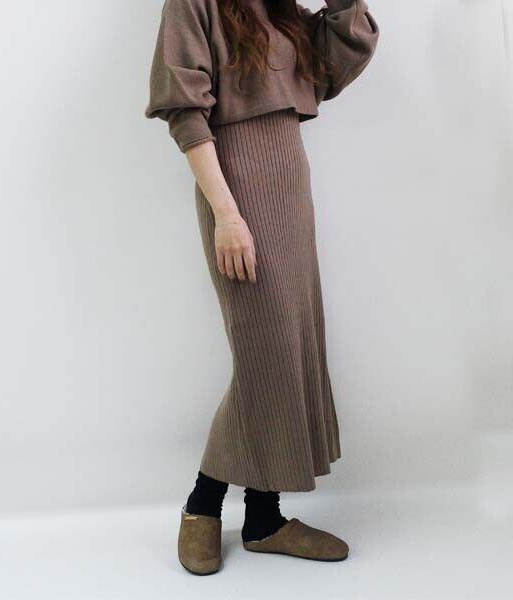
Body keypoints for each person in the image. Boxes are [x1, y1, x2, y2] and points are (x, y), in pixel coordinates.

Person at [145, 0, 379, 575]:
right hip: (236, 185)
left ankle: (263, 519)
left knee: (288, 347)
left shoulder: (279, 8)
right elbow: (185, 110)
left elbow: (338, 57)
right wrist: (227, 215)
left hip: (289, 180)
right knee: (264, 357)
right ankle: (203, 504)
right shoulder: (193, 4)